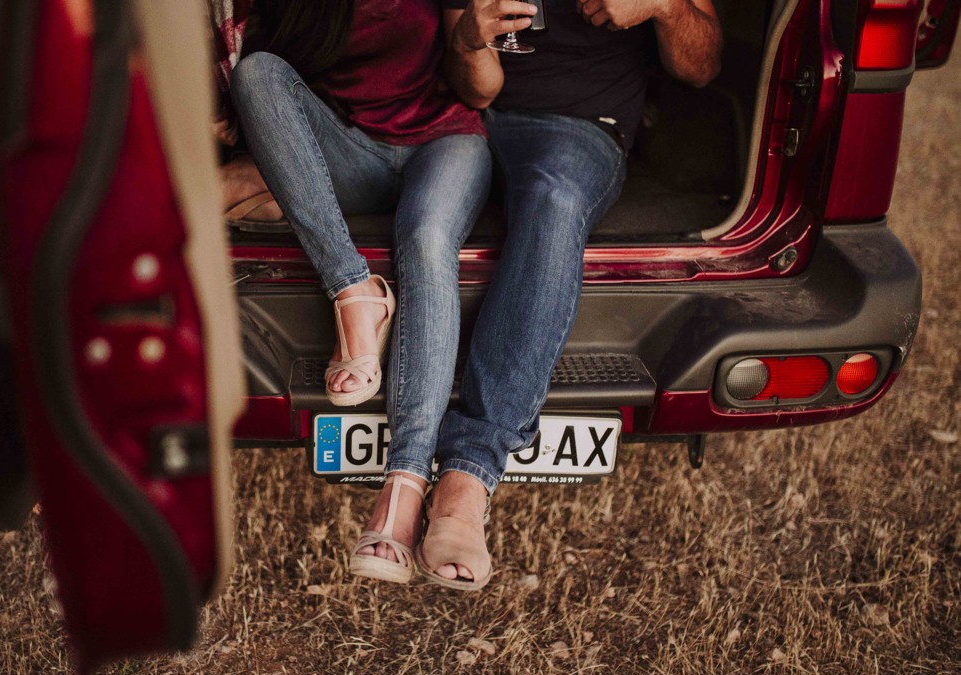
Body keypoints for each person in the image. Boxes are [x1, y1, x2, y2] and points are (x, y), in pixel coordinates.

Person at [401, 0, 724, 590]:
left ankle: (467, 477)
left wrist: (665, 5)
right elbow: (472, 92)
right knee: (418, 208)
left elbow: (701, 67)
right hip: (465, 117)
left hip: (580, 128)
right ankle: (405, 464)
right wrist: (470, 41)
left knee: (553, 199)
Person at [225, 0, 493, 583]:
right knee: (257, 73)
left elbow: (481, 92)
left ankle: (402, 495)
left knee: (425, 239)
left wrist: (475, 38)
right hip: (351, 153)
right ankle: (355, 290)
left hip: (445, 142)